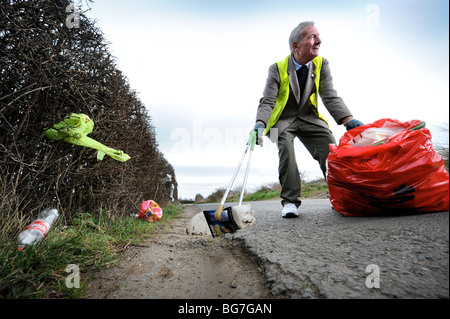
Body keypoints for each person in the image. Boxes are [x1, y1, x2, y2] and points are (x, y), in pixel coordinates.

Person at [253, 21, 364, 218]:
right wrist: (260, 124)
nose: (319, 41)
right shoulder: (276, 68)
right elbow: (268, 100)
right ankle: (289, 202)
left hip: (309, 117)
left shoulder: (322, 64)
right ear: (295, 45)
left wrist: (348, 120)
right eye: (312, 37)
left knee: (331, 149)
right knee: (285, 149)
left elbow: (329, 94)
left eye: (318, 36)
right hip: (279, 122)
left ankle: (338, 196)